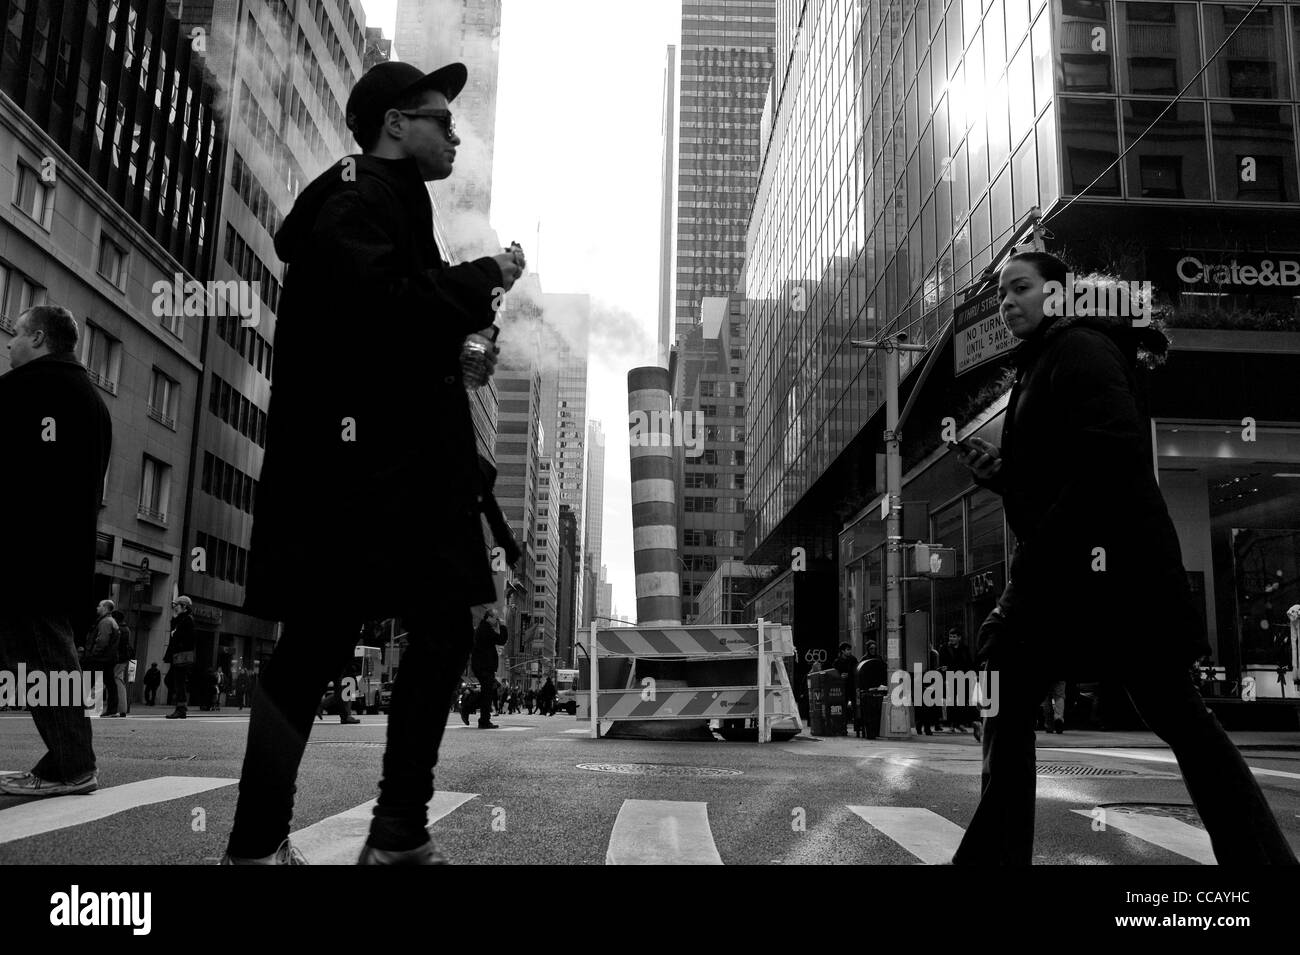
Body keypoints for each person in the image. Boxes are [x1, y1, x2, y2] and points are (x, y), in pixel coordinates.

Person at [221, 59, 523, 866]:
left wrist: (458, 354)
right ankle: (314, 839)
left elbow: (385, 329)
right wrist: (480, 279)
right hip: (359, 473)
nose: (454, 132)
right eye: (440, 117)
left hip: (388, 468)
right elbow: (379, 311)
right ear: (396, 122)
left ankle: (388, 831)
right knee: (321, 643)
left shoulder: (388, 200)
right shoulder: (358, 199)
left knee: (419, 625)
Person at [950, 251, 1297, 865]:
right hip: (1089, 567)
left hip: (1104, 570)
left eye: (1020, 288)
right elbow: (1063, 472)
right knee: (1167, 713)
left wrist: (1048, 544)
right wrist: (1004, 477)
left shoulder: (1079, 349)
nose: (1006, 302)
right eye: (1001, 293)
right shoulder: (1048, 358)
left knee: (1167, 712)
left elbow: (1111, 458)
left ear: (1059, 295)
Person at [0, 305, 111, 797]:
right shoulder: (93, 400)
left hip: (22, 551)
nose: (9, 343)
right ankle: (68, 759)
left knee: (42, 657)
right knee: (43, 657)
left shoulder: (23, 388)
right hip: (64, 552)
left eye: (16, 333)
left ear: (40, 337)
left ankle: (71, 763)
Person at [464, 609, 508, 729]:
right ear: (489, 617)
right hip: (483, 666)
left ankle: (478, 714)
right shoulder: (485, 629)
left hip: (483, 666)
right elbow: (501, 640)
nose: (497, 620)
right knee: (488, 692)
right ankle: (477, 714)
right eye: (496, 618)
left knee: (488, 692)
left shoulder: (484, 628)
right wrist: (503, 626)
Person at [83, 600, 121, 718]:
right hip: (108, 659)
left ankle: (77, 707)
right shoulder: (111, 621)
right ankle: (112, 709)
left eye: (99, 605)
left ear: (105, 608)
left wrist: (93, 654)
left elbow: (102, 641)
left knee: (87, 681)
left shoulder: (105, 622)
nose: (97, 608)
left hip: (100, 659)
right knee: (110, 683)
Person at [163, 596, 196, 719]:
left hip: (181, 656)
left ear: (184, 607)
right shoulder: (180, 619)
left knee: (178, 682)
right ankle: (181, 706)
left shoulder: (188, 620)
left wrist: (180, 645)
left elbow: (190, 639)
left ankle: (181, 707)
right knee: (171, 681)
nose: (174, 607)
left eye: (177, 605)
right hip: (177, 656)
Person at [938, 628, 975, 732]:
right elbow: (943, 665)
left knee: (961, 701)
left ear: (959, 638)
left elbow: (968, 663)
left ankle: (959, 723)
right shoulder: (944, 648)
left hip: (962, 678)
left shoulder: (964, 648)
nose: (952, 639)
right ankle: (952, 724)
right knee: (951, 702)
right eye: (951, 636)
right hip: (950, 678)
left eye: (954, 637)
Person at [114, 612, 135, 715]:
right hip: (123, 659)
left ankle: (87, 705)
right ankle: (122, 709)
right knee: (119, 681)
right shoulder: (126, 629)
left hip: (115, 659)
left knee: (102, 680)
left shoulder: (117, 629)